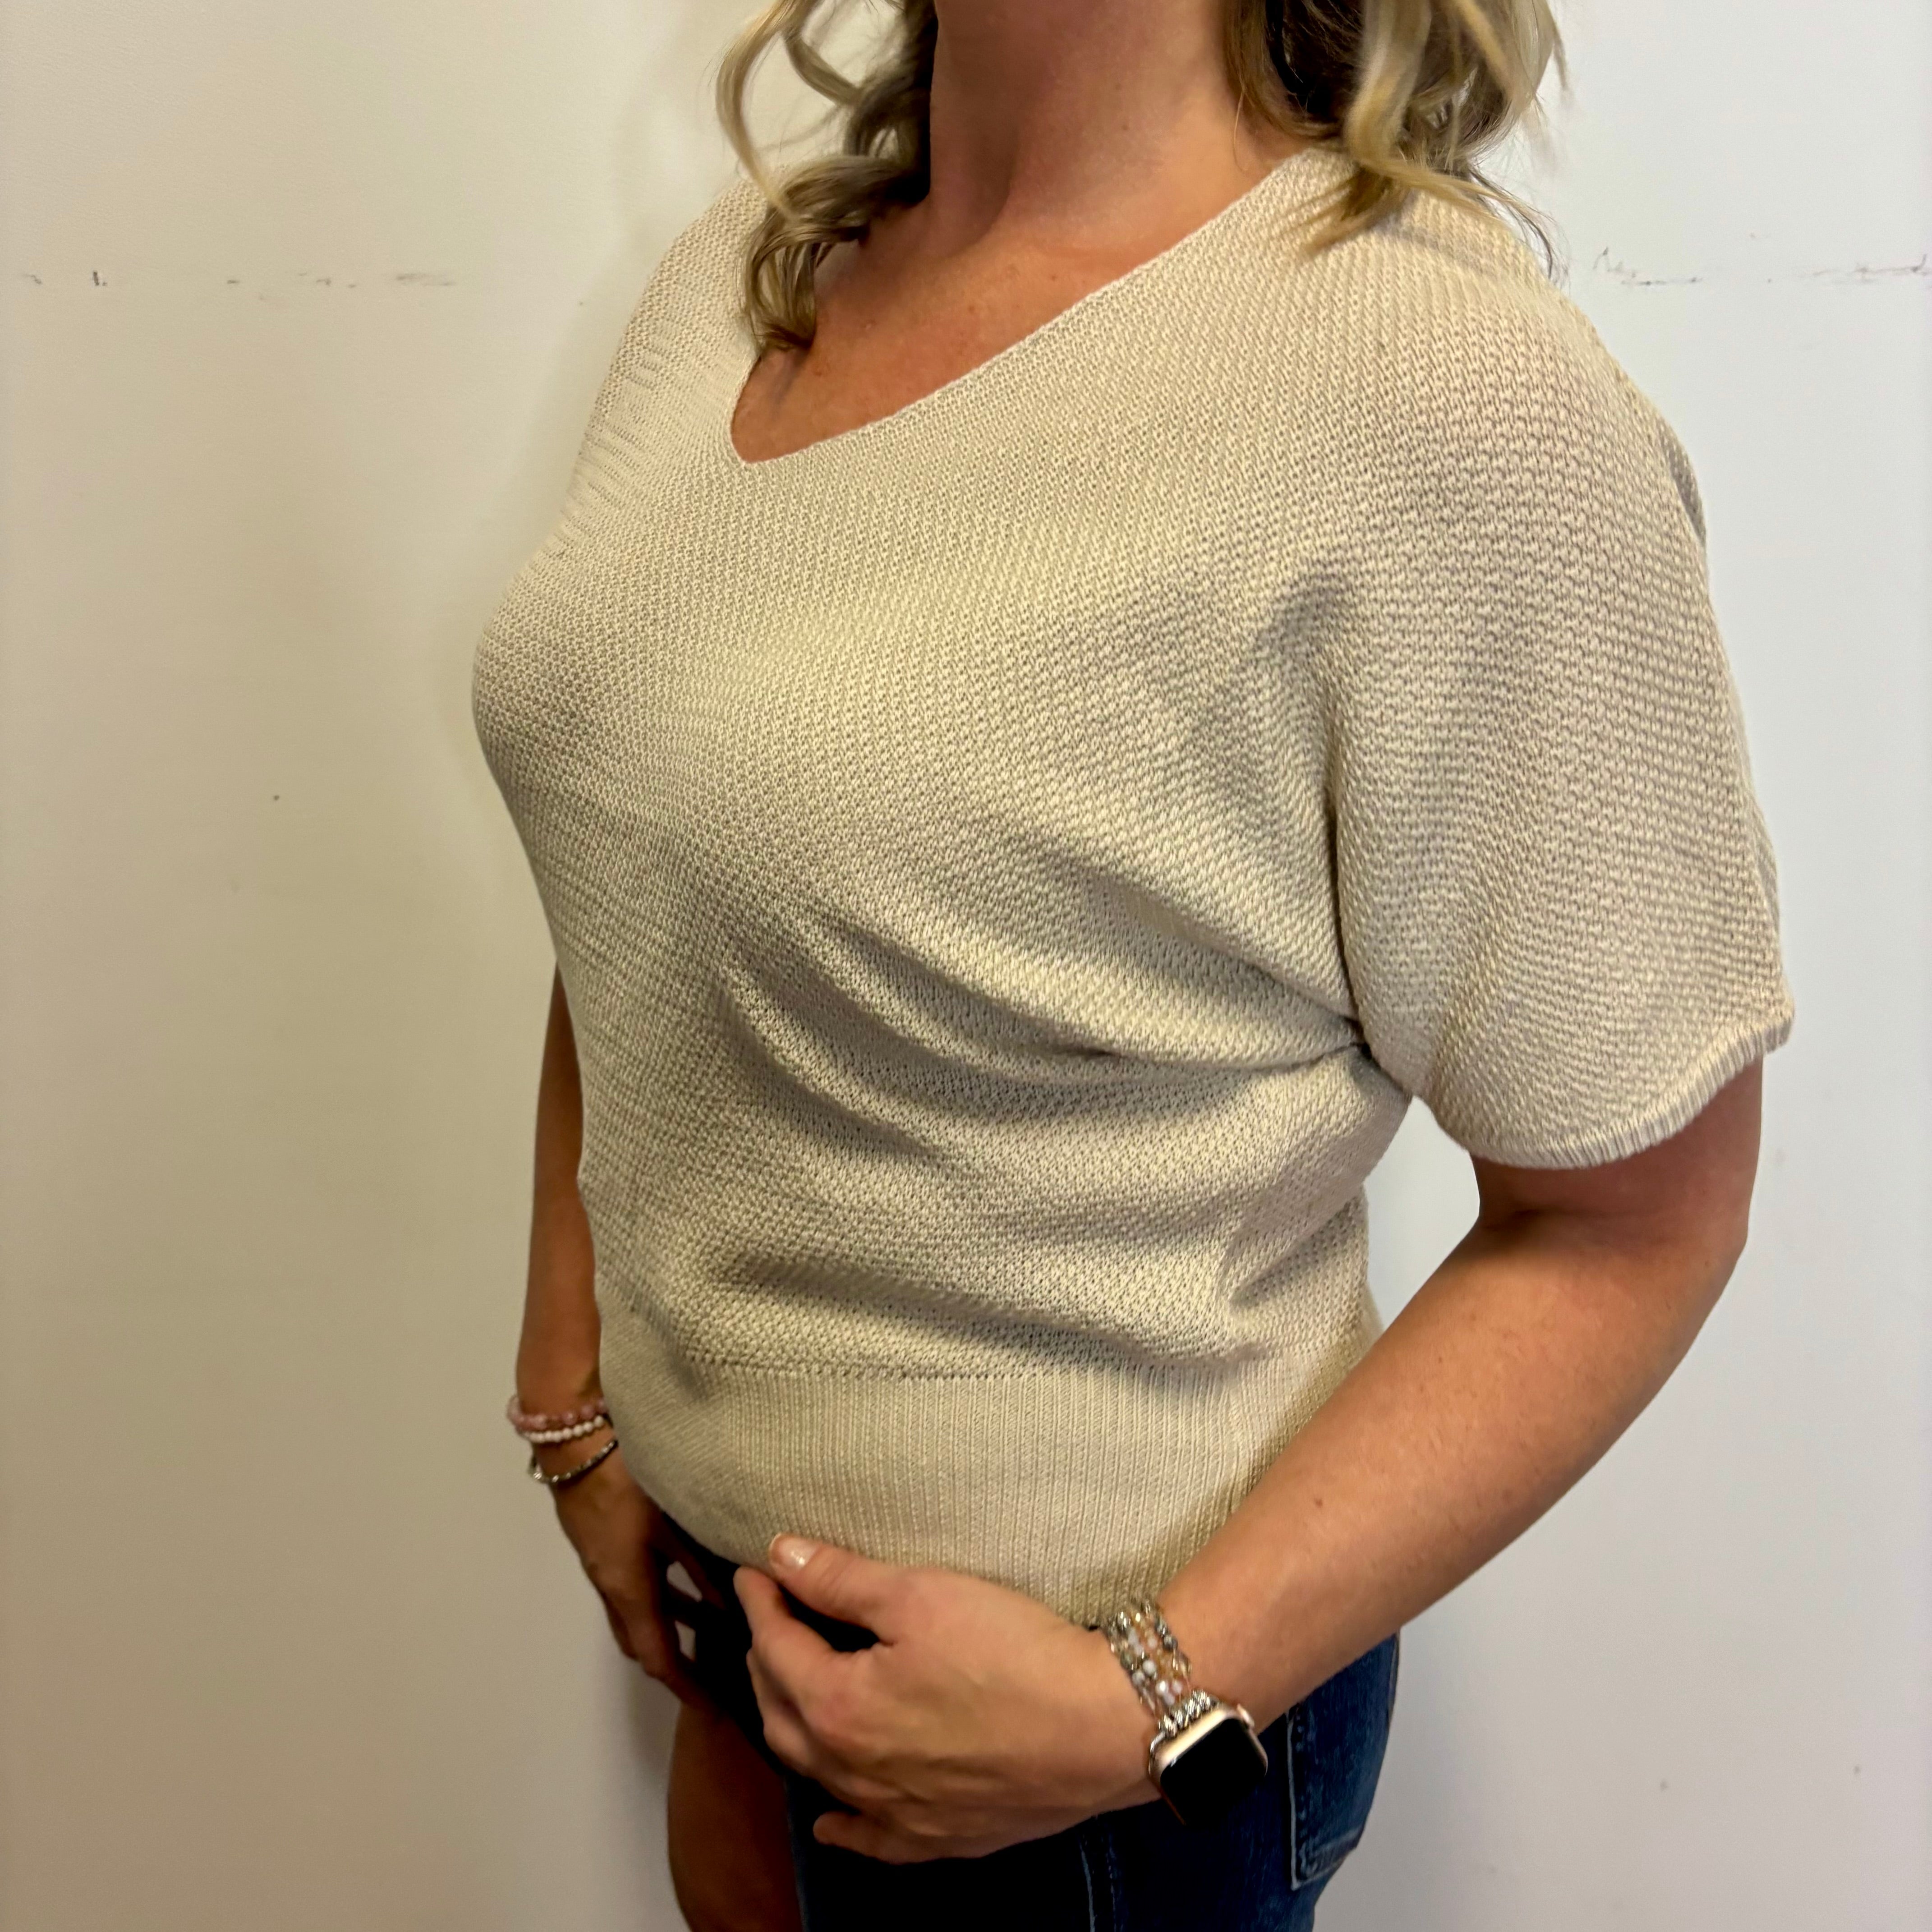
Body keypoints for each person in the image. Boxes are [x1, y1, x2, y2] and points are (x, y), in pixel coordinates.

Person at [469, 1, 1795, 1925]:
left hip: (1086, 1783)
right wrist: (574, 1397)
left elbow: (1636, 1223)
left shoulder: (1442, 393)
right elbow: (650, 854)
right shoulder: (740, 280)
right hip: (739, 1660)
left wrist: (1139, 1704)